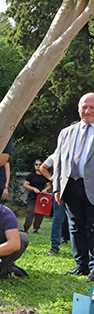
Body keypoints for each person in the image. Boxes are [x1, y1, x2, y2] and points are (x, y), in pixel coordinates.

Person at [52, 93, 94, 278]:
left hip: (92, 187)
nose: (88, 111)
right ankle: (81, 264)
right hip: (71, 186)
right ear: (78, 109)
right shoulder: (66, 133)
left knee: (93, 227)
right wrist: (56, 187)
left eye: (92, 107)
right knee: (75, 226)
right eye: (84, 107)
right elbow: (59, 161)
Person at [40, 155, 70, 255]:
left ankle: (81, 249)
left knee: (78, 220)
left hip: (75, 188)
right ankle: (54, 246)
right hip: (59, 190)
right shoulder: (56, 154)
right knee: (58, 218)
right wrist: (51, 178)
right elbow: (43, 167)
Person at [22, 159, 51, 234]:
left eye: (40, 164)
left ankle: (36, 229)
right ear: (34, 166)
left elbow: (49, 185)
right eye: (36, 164)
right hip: (32, 197)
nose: (38, 166)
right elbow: (25, 185)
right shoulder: (31, 175)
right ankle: (26, 228)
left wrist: (45, 189)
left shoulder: (44, 175)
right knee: (30, 212)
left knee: (40, 213)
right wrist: (33, 189)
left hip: (42, 197)